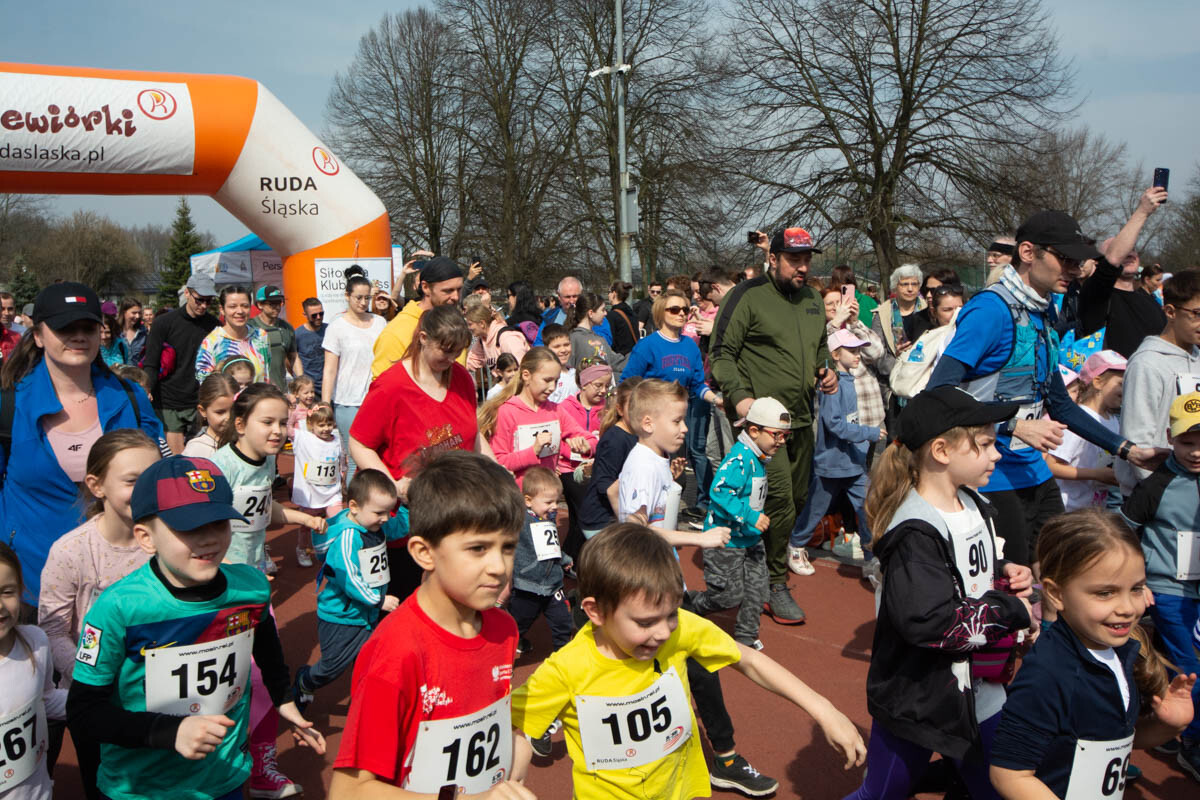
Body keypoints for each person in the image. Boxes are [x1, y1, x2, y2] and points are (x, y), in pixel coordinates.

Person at [510, 523, 866, 800]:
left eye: (671, 615)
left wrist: (824, 709)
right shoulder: (567, 668)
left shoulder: (679, 630)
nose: (663, 632)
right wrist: (518, 755)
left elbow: (748, 659)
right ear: (596, 611)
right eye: (645, 623)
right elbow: (510, 723)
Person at [66, 455, 325, 800]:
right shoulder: (118, 608)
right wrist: (169, 732)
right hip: (143, 788)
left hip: (225, 777)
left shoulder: (251, 588)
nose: (209, 539)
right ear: (146, 537)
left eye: (219, 523)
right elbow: (83, 712)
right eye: (189, 528)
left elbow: (265, 645)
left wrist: (282, 697)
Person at [927, 209, 1162, 567]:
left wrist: (1127, 450)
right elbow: (938, 393)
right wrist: (1014, 426)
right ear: (1027, 252)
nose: (1075, 270)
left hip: (1035, 472)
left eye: (1078, 262)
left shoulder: (1044, 312)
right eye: (1065, 259)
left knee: (1059, 573)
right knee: (1013, 582)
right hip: (990, 475)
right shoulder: (990, 310)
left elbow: (1061, 404)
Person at [844, 386, 1036, 800]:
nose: (997, 454)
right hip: (919, 695)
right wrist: (1012, 610)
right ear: (941, 451)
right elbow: (931, 621)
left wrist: (1003, 570)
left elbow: (965, 568)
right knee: (883, 794)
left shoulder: (973, 502)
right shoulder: (914, 530)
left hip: (979, 689)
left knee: (995, 788)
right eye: (984, 444)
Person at [328, 451, 535, 798]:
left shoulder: (504, 629)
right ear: (424, 552)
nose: (499, 567)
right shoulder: (396, 653)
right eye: (478, 548)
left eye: (508, 547)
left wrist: (516, 743)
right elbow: (348, 792)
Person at [990, 510, 1198, 797]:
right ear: (1056, 594)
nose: (1127, 607)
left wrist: (1167, 726)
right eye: (1105, 593)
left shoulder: (1119, 652)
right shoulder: (1047, 674)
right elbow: (1008, 774)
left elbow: (1113, 740)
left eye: (1136, 588)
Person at [1, 283, 163, 603]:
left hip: (125, 580)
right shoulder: (9, 404)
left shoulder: (130, 397)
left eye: (87, 327)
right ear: (38, 336)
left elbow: (154, 479)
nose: (78, 336)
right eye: (65, 328)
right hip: (34, 582)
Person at [709, 226, 838, 623]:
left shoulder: (813, 299)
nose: (803, 267)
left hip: (801, 418)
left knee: (795, 499)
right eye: (794, 259)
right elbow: (721, 353)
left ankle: (756, 566)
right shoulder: (746, 296)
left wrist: (826, 369)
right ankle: (773, 582)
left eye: (807, 259)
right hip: (760, 424)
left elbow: (820, 347)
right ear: (773, 258)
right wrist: (739, 396)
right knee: (777, 497)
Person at [36, 430, 158, 798]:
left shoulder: (169, 541)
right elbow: (53, 630)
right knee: (104, 784)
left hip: (159, 696)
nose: (145, 490)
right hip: (96, 701)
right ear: (96, 485)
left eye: (152, 478)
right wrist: (93, 677)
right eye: (132, 480)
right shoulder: (71, 552)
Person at [1121, 392, 1200, 779]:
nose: (1196, 452)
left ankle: (1164, 726)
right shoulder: (1156, 486)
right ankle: (1192, 744)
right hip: (1168, 591)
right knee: (1192, 669)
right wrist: (1136, 584)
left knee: (1176, 666)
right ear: (1170, 437)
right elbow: (1123, 535)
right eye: (1187, 442)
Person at [293, 469, 408, 712]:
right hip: (342, 617)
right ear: (354, 507)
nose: (385, 519)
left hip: (366, 613)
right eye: (379, 513)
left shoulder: (375, 525)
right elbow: (350, 578)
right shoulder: (348, 537)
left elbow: (399, 528)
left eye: (388, 512)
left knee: (370, 660)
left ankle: (365, 704)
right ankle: (306, 681)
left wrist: (407, 505)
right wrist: (378, 600)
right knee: (332, 666)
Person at [350, 305, 488, 498]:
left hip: (457, 498)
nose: (451, 359)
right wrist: (393, 486)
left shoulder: (461, 377)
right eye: (446, 350)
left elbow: (474, 434)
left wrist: (497, 472)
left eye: (457, 352)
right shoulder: (390, 386)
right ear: (424, 338)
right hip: (409, 504)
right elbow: (359, 444)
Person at [689, 397, 790, 650]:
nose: (781, 441)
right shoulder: (740, 459)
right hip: (725, 539)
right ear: (754, 431)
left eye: (785, 436)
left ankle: (745, 638)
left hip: (750, 538)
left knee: (757, 590)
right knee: (727, 596)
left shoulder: (759, 457)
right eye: (777, 435)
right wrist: (752, 516)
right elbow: (720, 491)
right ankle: (690, 604)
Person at [789, 329, 885, 570]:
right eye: (851, 350)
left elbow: (847, 422)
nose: (857, 355)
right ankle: (796, 546)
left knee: (866, 510)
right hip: (831, 464)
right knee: (815, 509)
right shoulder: (833, 385)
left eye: (858, 350)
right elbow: (834, 425)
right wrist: (868, 433)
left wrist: (862, 441)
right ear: (834, 354)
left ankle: (870, 559)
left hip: (853, 463)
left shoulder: (849, 381)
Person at [625, 289, 723, 520]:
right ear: (661, 312)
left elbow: (698, 384)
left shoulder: (690, 346)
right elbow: (627, 384)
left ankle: (666, 525)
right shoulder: (647, 345)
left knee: (675, 475)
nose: (681, 314)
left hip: (677, 422)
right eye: (674, 309)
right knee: (651, 475)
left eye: (685, 309)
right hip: (649, 423)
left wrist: (718, 401)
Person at [209, 383, 326, 574]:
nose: (278, 430)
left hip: (255, 563)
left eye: (283, 423)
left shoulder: (269, 460)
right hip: (225, 570)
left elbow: (266, 507)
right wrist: (231, 570)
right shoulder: (220, 467)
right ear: (240, 425)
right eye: (267, 422)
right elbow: (203, 527)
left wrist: (306, 519)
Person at [1117, 269, 1200, 497]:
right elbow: (1137, 438)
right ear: (1170, 311)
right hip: (1156, 494)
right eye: (1197, 313)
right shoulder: (1147, 363)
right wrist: (1161, 491)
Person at [1, 544, 67, 800]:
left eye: (7, 592)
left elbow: (46, 698)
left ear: (20, 590)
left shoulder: (36, 641)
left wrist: (99, 697)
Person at [1076, 188, 1169, 359]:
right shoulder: (1096, 295)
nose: (1129, 254)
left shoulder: (1150, 301)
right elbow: (1112, 260)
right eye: (1123, 250)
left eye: (1132, 249)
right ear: (1100, 263)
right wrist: (1143, 211)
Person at [481, 347, 594, 486]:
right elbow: (498, 462)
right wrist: (533, 451)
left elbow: (591, 440)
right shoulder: (507, 412)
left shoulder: (555, 410)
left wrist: (586, 445)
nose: (552, 387)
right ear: (526, 375)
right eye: (547, 380)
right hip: (518, 494)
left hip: (548, 493)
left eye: (556, 381)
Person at [322, 268, 388, 481]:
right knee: (354, 459)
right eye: (358, 297)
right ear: (347, 296)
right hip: (348, 402)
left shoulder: (380, 322)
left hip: (376, 398)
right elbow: (330, 369)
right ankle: (353, 500)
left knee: (378, 455)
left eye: (367, 298)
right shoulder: (336, 326)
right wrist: (325, 403)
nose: (363, 302)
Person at [143, 273, 218, 453]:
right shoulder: (163, 323)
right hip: (169, 400)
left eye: (208, 301)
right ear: (187, 293)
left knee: (201, 457)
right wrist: (146, 388)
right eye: (199, 300)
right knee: (176, 459)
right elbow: (151, 362)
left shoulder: (215, 326)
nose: (204, 305)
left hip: (200, 400)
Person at [1046, 350, 1125, 511]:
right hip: (1068, 509)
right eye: (1121, 384)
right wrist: (1096, 474)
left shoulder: (1113, 420)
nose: (1126, 390)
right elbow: (1051, 466)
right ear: (1098, 382)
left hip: (1092, 509)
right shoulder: (1079, 420)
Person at [510, 466, 574, 657]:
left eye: (556, 501)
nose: (554, 506)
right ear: (528, 501)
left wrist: (564, 559)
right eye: (548, 502)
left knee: (563, 622)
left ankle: (563, 657)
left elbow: (551, 546)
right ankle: (506, 654)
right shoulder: (520, 520)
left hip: (553, 584)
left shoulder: (547, 517)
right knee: (518, 623)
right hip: (527, 584)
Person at [371, 256, 464, 378]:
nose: (456, 297)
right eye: (448, 291)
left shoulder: (457, 324)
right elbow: (382, 386)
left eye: (459, 289)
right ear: (425, 287)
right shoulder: (395, 333)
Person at [577, 377, 642, 541]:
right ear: (620, 410)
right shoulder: (615, 439)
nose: (639, 412)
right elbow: (605, 484)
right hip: (601, 519)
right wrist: (626, 520)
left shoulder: (637, 434)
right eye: (633, 407)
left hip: (618, 516)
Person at [823, 286, 887, 442]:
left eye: (839, 302)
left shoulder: (854, 328)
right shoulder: (819, 332)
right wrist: (835, 323)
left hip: (869, 415)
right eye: (830, 304)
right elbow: (822, 354)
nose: (836, 307)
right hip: (840, 422)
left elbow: (876, 353)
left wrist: (854, 322)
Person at [291, 401, 344, 568]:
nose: (326, 428)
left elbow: (341, 461)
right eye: (321, 425)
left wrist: (342, 476)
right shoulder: (304, 438)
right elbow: (287, 429)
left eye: (329, 424)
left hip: (332, 493)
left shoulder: (337, 439)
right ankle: (303, 548)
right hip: (311, 494)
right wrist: (293, 415)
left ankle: (334, 551)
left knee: (337, 520)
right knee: (308, 525)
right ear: (311, 425)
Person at [194, 286, 270, 384]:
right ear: (222, 309)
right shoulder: (211, 343)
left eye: (245, 306)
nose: (240, 311)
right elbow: (206, 386)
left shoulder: (261, 336)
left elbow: (266, 375)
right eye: (233, 306)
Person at [870, 263, 926, 363]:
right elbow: (876, 352)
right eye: (905, 284)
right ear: (895, 287)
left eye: (914, 284)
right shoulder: (882, 314)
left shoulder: (928, 310)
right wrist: (897, 364)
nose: (910, 289)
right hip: (892, 369)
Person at [248, 285, 301, 390]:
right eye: (272, 303)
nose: (277, 307)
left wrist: (301, 380)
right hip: (255, 391)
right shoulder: (250, 327)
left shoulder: (286, 328)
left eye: (279, 302)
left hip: (280, 390)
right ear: (260, 304)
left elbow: (293, 357)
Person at [180, 373, 237, 459]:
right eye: (220, 412)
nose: (228, 417)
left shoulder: (245, 442)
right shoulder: (196, 451)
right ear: (203, 411)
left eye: (233, 410)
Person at [566, 292, 625, 376]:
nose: (605, 313)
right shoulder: (574, 338)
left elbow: (616, 362)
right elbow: (568, 369)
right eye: (602, 310)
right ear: (591, 313)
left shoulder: (600, 339)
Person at [905, 270, 961, 342]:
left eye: (934, 290)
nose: (928, 295)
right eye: (926, 290)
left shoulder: (964, 318)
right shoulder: (917, 319)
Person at [534, 275, 582, 346]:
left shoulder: (592, 316)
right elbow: (539, 344)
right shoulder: (549, 317)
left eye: (575, 296)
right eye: (567, 297)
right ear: (559, 296)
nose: (572, 301)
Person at [294, 297, 327, 395]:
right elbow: (291, 359)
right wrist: (300, 379)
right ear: (305, 315)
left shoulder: (329, 330)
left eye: (321, 314)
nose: (318, 317)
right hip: (309, 389)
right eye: (314, 315)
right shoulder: (298, 334)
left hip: (329, 385)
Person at [541, 324, 576, 404]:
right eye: (557, 346)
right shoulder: (545, 376)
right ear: (547, 348)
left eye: (566, 345)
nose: (563, 350)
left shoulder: (575, 373)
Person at [606, 281, 639, 355]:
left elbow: (610, 341)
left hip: (620, 358)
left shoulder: (612, 316)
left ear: (614, 293)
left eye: (609, 292)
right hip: (633, 356)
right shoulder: (632, 313)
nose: (608, 295)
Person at [116, 297, 146, 367]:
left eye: (139, 313)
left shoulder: (143, 332)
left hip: (138, 372)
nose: (137, 316)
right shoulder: (115, 331)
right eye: (134, 313)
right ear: (124, 312)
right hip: (118, 372)